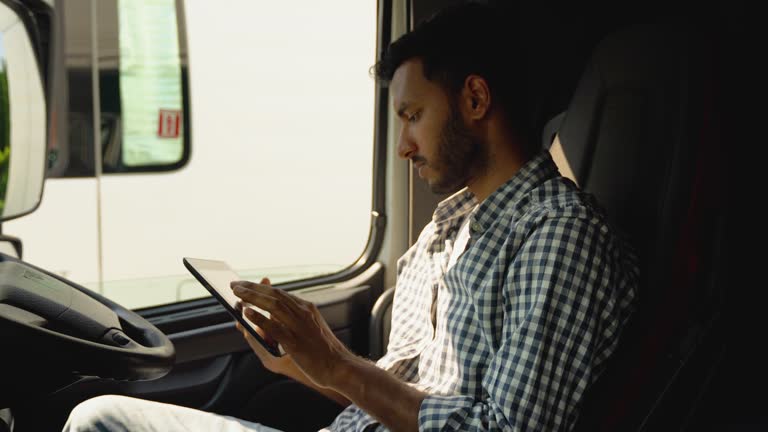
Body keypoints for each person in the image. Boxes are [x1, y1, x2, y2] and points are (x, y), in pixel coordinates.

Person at [63, 2, 638, 431]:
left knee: (99, 423)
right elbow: (400, 397)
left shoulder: (559, 235)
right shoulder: (443, 233)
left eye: (413, 115)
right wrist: (300, 363)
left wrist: (338, 364)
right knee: (103, 416)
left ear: (476, 100)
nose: (403, 145)